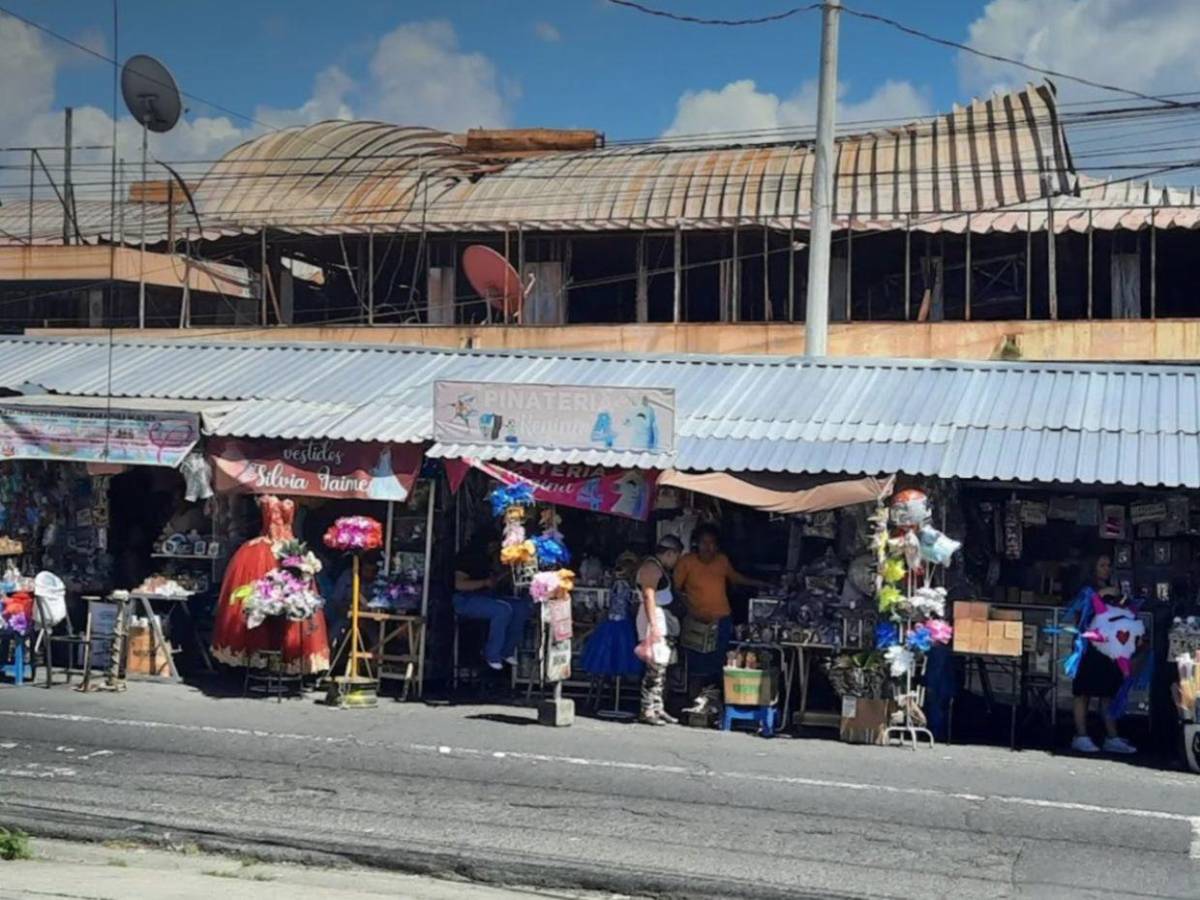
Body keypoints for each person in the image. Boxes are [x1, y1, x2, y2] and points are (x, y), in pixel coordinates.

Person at [673, 524, 770, 700]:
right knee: (696, 665)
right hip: (697, 622)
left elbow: (735, 578)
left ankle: (715, 703)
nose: (708, 547)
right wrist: (691, 610)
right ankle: (693, 703)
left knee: (720, 662)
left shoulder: (721, 560)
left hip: (722, 619)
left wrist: (761, 584)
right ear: (696, 544)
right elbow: (676, 590)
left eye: (712, 543)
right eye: (704, 543)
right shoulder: (686, 562)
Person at [1069, 554, 1137, 755]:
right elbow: (1079, 614)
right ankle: (1081, 735)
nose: (1106, 569)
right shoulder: (1086, 589)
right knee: (1083, 692)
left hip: (1110, 647)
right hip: (1089, 646)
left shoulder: (1114, 589)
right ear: (1093, 568)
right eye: (1102, 565)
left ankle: (1112, 736)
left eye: (1109, 565)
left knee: (1107, 692)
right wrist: (1100, 595)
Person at [452, 532, 531, 671]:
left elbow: (493, 581)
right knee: (502, 610)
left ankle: (507, 651)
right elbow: (459, 584)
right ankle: (492, 654)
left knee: (521, 607)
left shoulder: (488, 558)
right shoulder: (467, 558)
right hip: (464, 599)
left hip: (486, 596)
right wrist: (483, 582)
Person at [636, 535, 683, 726]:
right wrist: (653, 625)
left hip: (662, 618)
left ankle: (658, 706)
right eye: (676, 557)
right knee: (654, 667)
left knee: (662, 666)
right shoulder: (651, 568)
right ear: (670, 553)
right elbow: (648, 596)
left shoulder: (658, 567)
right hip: (653, 617)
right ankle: (647, 708)